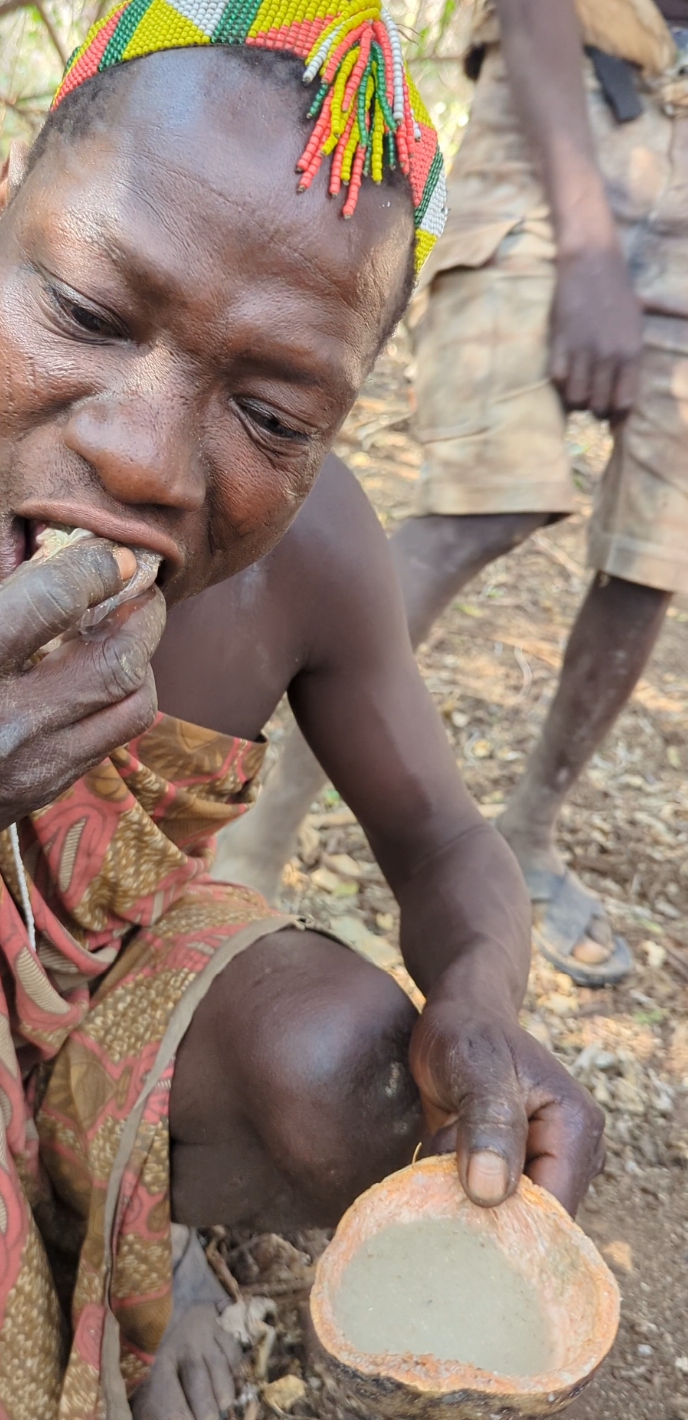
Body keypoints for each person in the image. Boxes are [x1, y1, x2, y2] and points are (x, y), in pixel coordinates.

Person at [0, 6, 604, 1420]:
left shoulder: (313, 555)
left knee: (351, 1068)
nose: (141, 455)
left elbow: (444, 837)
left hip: (122, 989)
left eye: (265, 411)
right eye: (81, 312)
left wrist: (477, 988)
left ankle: (147, 1225)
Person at [216, 0, 688, 989]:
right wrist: (589, 249)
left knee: (652, 554)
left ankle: (529, 832)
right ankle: (253, 840)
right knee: (484, 499)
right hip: (566, 115)